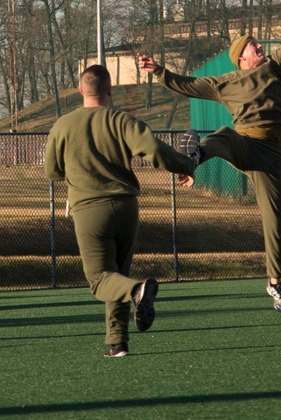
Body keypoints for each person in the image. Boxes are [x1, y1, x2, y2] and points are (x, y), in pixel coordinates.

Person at [136, 0, 281, 312]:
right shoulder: (226, 83)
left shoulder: (277, 68)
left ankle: (275, 283)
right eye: (253, 45)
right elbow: (186, 84)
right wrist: (159, 71)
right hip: (245, 142)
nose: (260, 46)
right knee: (223, 135)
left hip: (272, 153)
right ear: (242, 58)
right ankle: (193, 158)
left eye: (258, 43)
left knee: (274, 220)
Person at [44, 64, 199, 357]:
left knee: (101, 279)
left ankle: (137, 291)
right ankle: (117, 342)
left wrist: (76, 175)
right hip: (127, 208)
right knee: (117, 274)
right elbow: (154, 150)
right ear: (110, 90)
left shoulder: (62, 126)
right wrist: (185, 165)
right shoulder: (122, 121)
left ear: (80, 91)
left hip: (90, 210)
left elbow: (52, 171)